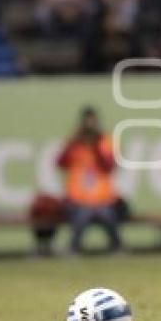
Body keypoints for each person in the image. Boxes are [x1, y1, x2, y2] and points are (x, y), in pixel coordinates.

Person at [56, 106, 121, 254]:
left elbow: (109, 166)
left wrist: (96, 146)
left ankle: (117, 246)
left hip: (103, 199)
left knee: (108, 215)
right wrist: (74, 141)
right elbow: (60, 162)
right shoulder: (75, 143)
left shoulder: (105, 141)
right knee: (82, 215)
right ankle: (73, 248)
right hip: (78, 198)